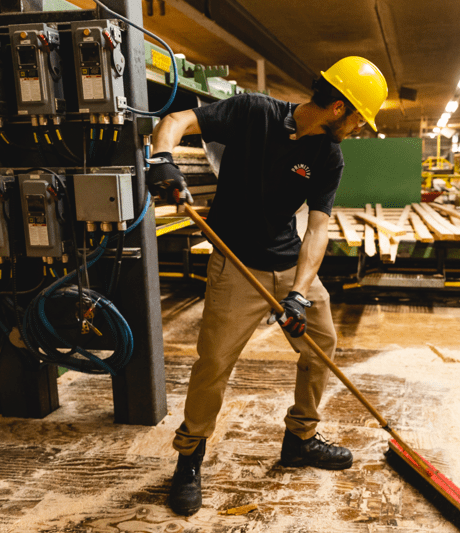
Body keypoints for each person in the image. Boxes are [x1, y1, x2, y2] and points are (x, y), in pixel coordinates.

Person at [145, 56, 388, 516]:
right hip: (235, 266)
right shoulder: (253, 111)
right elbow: (176, 120)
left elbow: (317, 228)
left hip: (287, 266)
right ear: (339, 108)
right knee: (214, 363)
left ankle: (300, 439)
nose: (358, 128)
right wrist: (162, 160)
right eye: (359, 118)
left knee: (322, 346)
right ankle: (189, 456)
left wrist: (298, 293)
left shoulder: (328, 157)